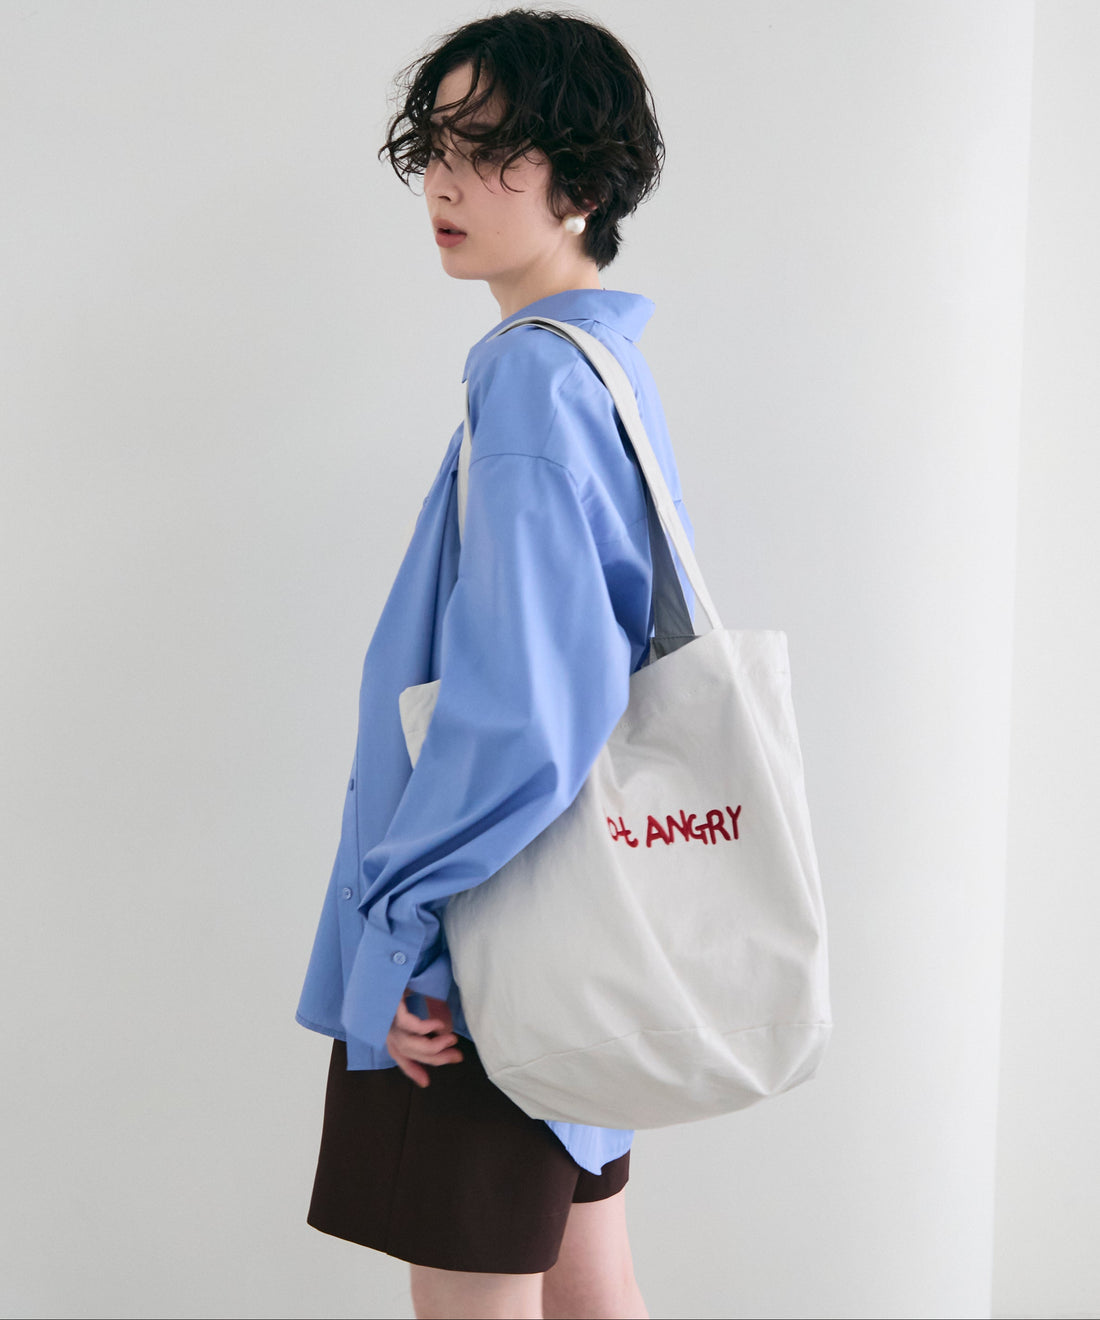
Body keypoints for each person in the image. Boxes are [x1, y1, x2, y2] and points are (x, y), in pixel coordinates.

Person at [297, 10, 696, 1318]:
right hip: (583, 928)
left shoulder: (532, 382)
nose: (447, 181)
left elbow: (528, 706)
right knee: (595, 1291)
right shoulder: (604, 365)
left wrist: (401, 927)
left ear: (581, 179)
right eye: (437, 146)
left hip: (484, 948)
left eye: (492, 149)